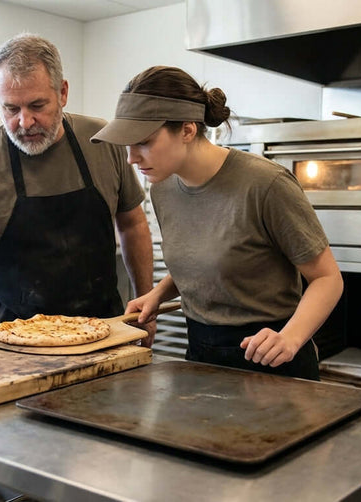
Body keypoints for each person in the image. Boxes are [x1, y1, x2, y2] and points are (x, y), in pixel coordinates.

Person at [90, 66, 343, 380]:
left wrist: (291, 337)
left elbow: (327, 278)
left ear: (187, 130)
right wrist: (158, 294)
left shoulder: (266, 184)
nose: (131, 158)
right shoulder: (163, 189)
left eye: (143, 142)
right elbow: (203, 257)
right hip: (201, 354)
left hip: (270, 356)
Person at [0, 33, 154, 342]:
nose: (25, 122)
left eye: (37, 105)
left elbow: (133, 225)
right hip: (11, 340)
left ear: (63, 92)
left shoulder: (102, 141)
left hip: (102, 333)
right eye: (10, 109)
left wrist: (145, 303)